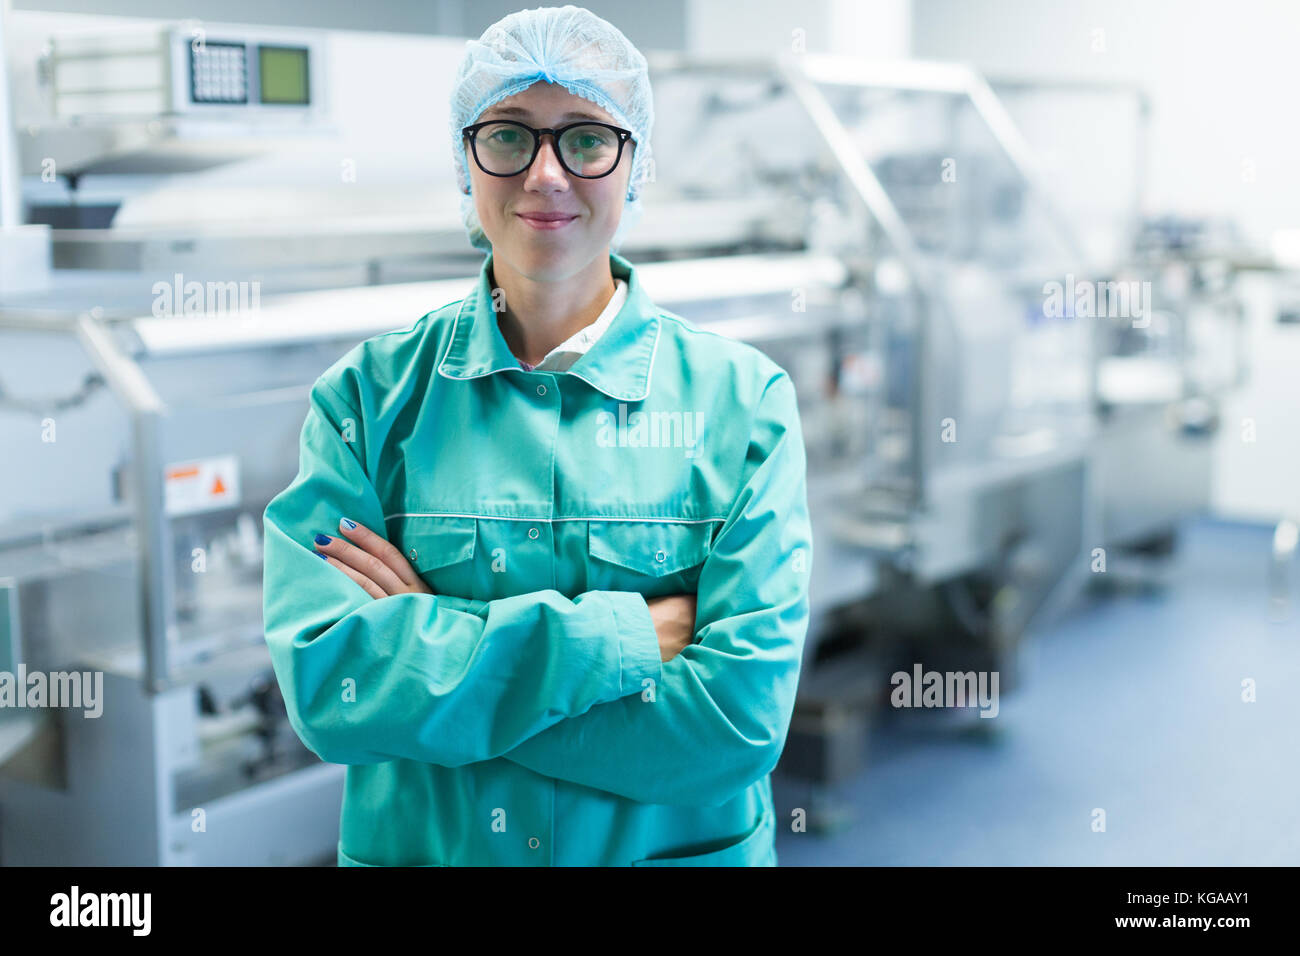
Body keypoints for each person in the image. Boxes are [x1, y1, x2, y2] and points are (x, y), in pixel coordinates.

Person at [262, 4, 813, 867]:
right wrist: (624, 639)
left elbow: (733, 728)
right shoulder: (365, 403)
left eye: (587, 138)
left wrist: (438, 659)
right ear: (465, 157)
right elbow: (334, 687)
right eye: (511, 136)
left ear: (635, 164)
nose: (547, 174)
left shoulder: (743, 406)